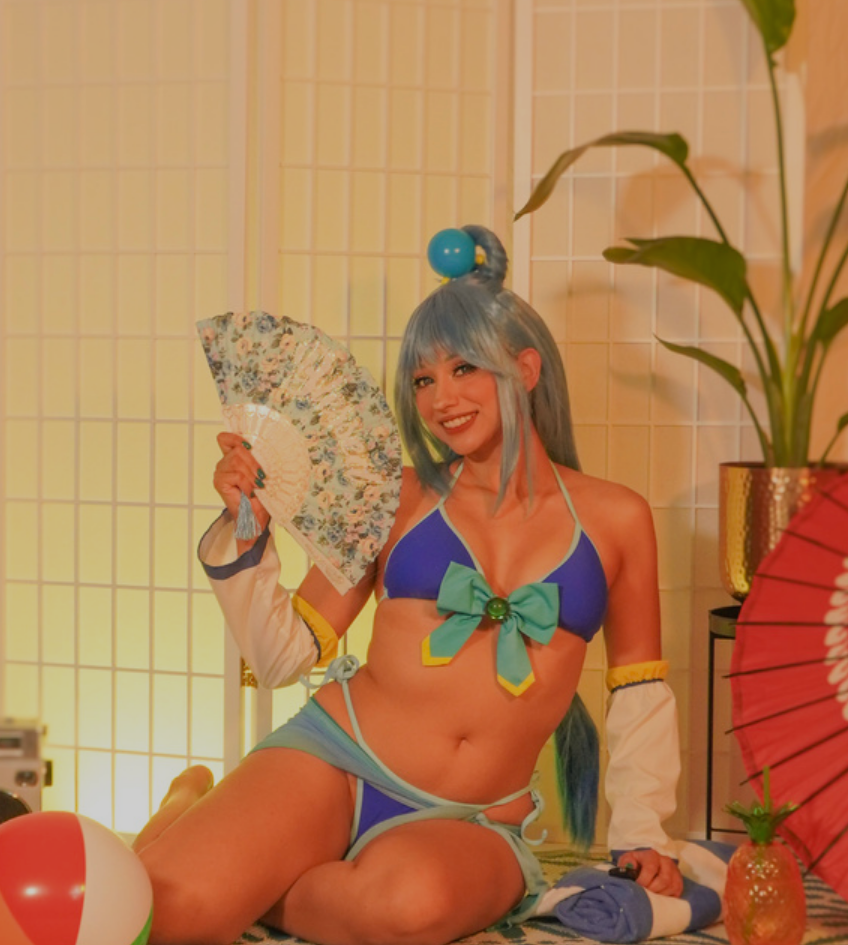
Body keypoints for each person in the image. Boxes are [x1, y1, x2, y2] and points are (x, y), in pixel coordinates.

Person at [134, 226, 684, 945]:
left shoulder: (617, 518)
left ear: (525, 368)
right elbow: (282, 656)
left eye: (463, 368)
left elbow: (639, 691)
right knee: (167, 918)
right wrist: (248, 533)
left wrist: (644, 833)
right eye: (423, 380)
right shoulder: (394, 499)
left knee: (406, 909)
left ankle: (246, 866)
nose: (441, 398)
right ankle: (193, 819)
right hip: (334, 760)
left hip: (476, 818)